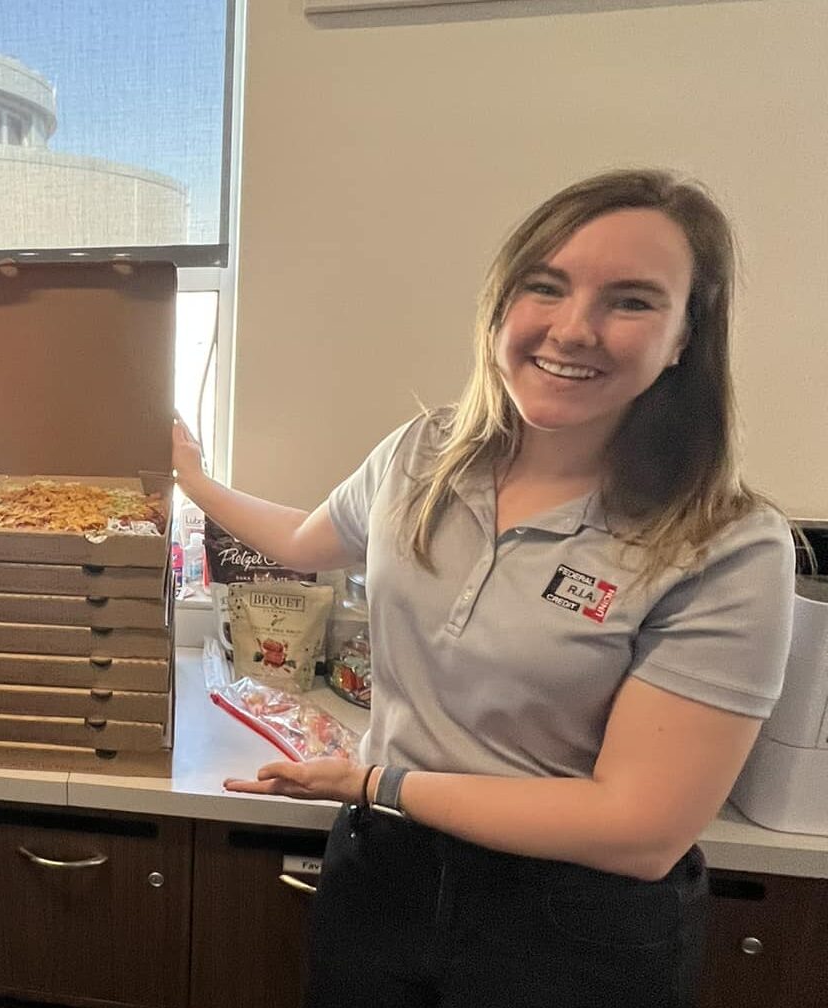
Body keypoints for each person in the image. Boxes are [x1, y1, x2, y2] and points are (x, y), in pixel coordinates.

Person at [174, 169, 796, 1008]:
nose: (574, 329)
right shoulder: (423, 455)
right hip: (381, 875)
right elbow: (304, 540)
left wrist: (375, 784)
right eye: (545, 286)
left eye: (633, 301)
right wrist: (194, 479)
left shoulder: (723, 543)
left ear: (687, 335)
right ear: (501, 304)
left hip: (574, 920)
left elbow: (640, 831)